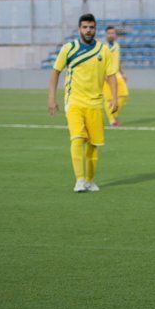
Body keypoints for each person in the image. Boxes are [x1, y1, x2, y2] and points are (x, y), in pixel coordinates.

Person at [48, 13, 117, 193]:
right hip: (74, 102)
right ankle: (79, 180)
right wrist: (51, 98)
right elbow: (55, 72)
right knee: (77, 139)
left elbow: (111, 76)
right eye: (85, 27)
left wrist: (114, 98)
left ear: (95, 29)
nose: (88, 30)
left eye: (91, 27)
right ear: (79, 29)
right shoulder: (68, 48)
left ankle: (89, 180)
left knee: (94, 145)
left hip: (95, 104)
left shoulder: (103, 50)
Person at [103, 25, 129, 127]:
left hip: (117, 74)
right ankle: (112, 121)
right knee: (108, 99)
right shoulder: (103, 47)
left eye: (112, 33)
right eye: (109, 33)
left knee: (124, 95)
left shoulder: (117, 45)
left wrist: (122, 73)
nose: (110, 35)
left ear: (115, 35)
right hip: (106, 75)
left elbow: (118, 61)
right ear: (106, 35)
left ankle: (113, 114)